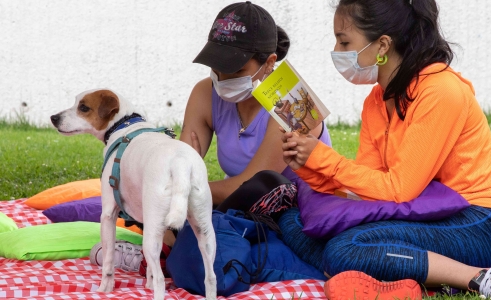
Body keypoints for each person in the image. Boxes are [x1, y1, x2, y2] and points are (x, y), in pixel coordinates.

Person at [279, 0, 491, 300]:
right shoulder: (376, 101)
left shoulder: (440, 90)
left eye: (344, 41)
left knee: (344, 247)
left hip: (476, 221)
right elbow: (367, 186)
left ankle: (482, 278)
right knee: (293, 221)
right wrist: (307, 162)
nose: (336, 50)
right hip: (422, 212)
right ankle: (385, 279)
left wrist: (321, 156)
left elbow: (400, 188)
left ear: (382, 45)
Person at [91, 1, 332, 276]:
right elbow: (176, 164)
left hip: (298, 210)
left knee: (224, 214)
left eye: (236, 71)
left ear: (269, 63)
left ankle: (166, 254)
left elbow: (253, 183)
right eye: (217, 68)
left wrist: (185, 186)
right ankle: (165, 252)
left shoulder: (293, 100)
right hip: (241, 208)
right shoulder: (205, 93)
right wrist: (176, 179)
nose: (223, 78)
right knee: (186, 211)